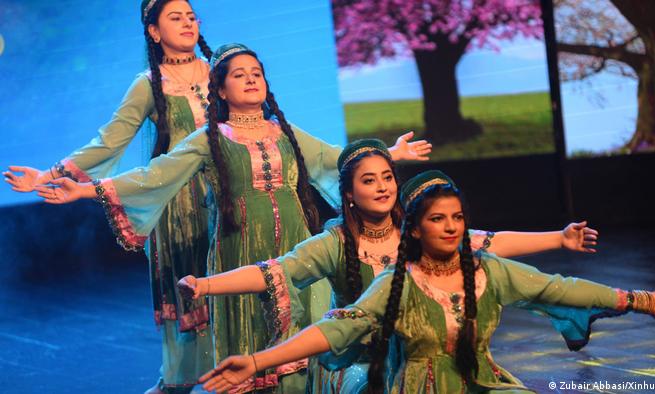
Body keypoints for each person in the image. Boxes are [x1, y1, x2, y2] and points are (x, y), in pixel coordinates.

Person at [32, 44, 430, 393]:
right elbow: (157, 174)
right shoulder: (210, 138)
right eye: (239, 75)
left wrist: (389, 154)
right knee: (254, 348)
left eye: (257, 73)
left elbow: (333, 159)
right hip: (240, 251)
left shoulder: (282, 132)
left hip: (297, 247)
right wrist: (84, 189)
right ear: (220, 89)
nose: (251, 80)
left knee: (305, 348)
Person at [178, 142, 603, 394]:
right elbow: (274, 272)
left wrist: (558, 238)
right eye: (369, 180)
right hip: (360, 365)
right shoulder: (335, 243)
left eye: (387, 177)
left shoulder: (418, 231)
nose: (382, 187)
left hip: (425, 360)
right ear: (348, 194)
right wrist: (205, 285)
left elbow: (488, 243)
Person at [4, 2, 215, 392]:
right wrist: (48, 175)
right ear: (153, 31)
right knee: (194, 291)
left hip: (233, 197)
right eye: (175, 17)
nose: (187, 22)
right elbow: (109, 141)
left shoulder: (221, 69)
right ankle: (181, 380)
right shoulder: (150, 84)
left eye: (191, 16)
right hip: (182, 203)